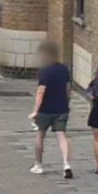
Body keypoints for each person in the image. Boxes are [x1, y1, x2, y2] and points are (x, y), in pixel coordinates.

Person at [29, 41, 73, 178]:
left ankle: (38, 165)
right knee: (62, 136)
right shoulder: (64, 69)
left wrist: (35, 110)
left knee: (40, 136)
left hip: (45, 110)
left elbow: (41, 92)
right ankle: (66, 164)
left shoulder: (45, 72)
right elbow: (68, 89)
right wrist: (67, 102)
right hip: (61, 108)